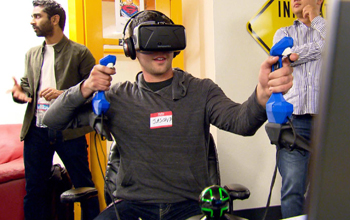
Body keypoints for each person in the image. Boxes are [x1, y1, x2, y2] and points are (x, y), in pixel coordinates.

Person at [43, 10, 297, 220]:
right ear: (131, 48)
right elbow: (51, 121)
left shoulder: (201, 90)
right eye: (149, 40)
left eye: (165, 38)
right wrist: (84, 87)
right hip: (132, 207)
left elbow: (242, 122)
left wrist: (262, 94)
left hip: (190, 207)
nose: (159, 48)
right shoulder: (116, 97)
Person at [10, 0, 100, 219]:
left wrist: (64, 96)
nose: (32, 22)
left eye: (37, 16)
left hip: (69, 132)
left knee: (84, 188)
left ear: (55, 19)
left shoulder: (80, 53)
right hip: (36, 132)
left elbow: (97, 93)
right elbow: (26, 86)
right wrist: (19, 95)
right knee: (34, 191)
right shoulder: (31, 54)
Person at [272, 0, 326, 218]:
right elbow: (285, 57)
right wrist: (324, 47)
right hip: (293, 122)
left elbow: (342, 46)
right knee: (293, 188)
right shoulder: (283, 32)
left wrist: (317, 21)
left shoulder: (334, 30)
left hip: (329, 125)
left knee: (326, 190)